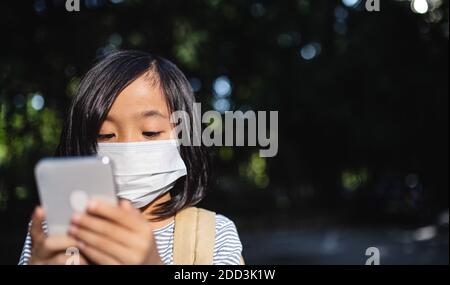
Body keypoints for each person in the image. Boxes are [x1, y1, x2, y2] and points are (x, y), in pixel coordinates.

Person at [18, 50, 243, 265]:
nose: (127, 148)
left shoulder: (212, 235)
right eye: (105, 135)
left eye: (150, 132)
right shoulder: (52, 234)